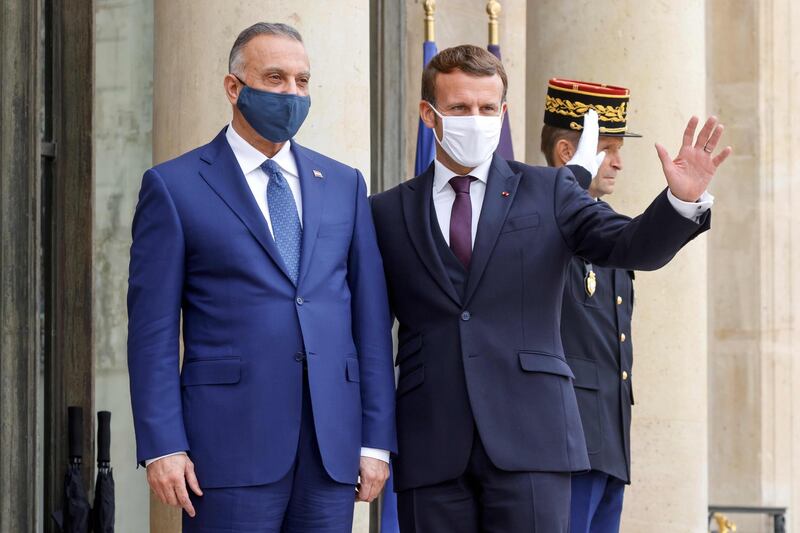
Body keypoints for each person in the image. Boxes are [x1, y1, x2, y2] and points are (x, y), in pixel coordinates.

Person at [369, 44, 730, 532]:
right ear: (428, 114)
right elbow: (368, 335)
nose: (474, 119)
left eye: (486, 108)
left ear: (503, 112)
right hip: (430, 445)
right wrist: (372, 439)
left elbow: (629, 246)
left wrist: (680, 203)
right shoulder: (385, 212)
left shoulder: (550, 190)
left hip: (533, 441)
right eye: (459, 108)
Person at [127, 22, 396, 532]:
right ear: (235, 87)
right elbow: (152, 332)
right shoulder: (174, 186)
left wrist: (374, 440)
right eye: (275, 78)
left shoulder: (343, 184)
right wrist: (163, 443)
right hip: (225, 451)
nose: (291, 94)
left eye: (302, 81)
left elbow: (370, 323)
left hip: (330, 451)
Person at [541, 78, 643, 533]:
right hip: (565, 446)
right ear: (569, 152)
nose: (619, 162)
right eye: (608, 149)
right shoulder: (540, 221)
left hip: (608, 446)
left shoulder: (611, 232)